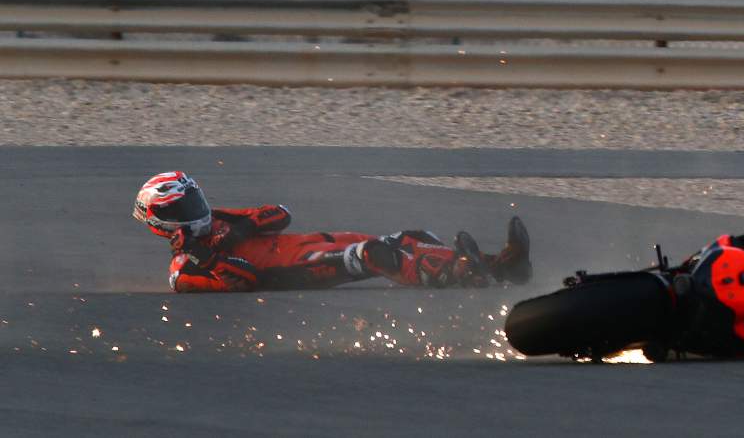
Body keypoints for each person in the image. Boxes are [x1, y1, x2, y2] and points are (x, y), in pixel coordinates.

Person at [132, 171, 532, 293]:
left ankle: (501, 265)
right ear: (162, 220)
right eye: (183, 208)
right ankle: (462, 275)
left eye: (194, 199)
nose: (196, 210)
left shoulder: (220, 219)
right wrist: (211, 254)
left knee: (412, 235)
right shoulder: (183, 269)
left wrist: (236, 230)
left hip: (316, 240)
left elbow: (279, 214)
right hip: (298, 269)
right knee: (376, 254)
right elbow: (245, 281)